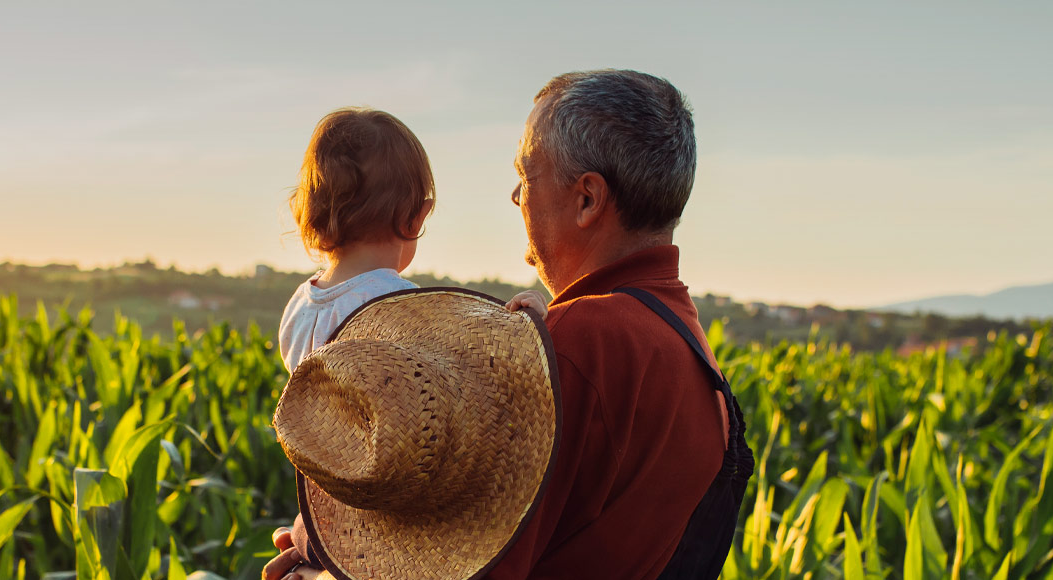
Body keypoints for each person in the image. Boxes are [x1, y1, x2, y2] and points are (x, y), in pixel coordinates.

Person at [266, 69, 750, 580]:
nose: (517, 197)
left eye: (528, 176)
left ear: (587, 199)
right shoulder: (682, 339)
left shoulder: (566, 349)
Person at [278, 106, 544, 371]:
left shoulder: (299, 306)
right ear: (415, 218)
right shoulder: (400, 304)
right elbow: (466, 371)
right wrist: (522, 327)